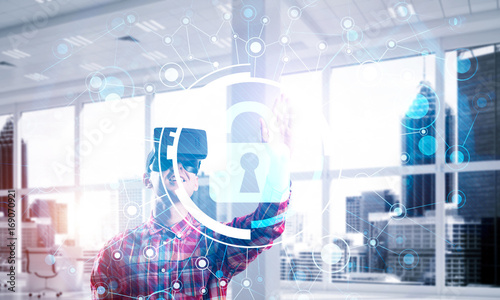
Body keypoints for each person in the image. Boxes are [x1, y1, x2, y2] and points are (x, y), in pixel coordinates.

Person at [90, 97, 293, 299]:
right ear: (147, 179)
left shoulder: (215, 243)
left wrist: (279, 163)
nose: (178, 168)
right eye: (166, 160)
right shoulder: (115, 251)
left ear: (196, 182)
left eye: (188, 164)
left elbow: (265, 228)